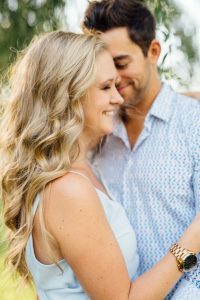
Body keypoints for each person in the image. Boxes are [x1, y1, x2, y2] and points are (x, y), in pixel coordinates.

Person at [1, 30, 200, 300]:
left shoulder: (82, 169)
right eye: (106, 87)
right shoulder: (69, 190)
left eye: (116, 86)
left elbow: (158, 107)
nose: (118, 98)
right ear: (69, 94)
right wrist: (194, 238)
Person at [83, 0, 200, 299]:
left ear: (153, 52)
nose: (114, 79)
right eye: (103, 68)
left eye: (121, 64)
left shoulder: (193, 123)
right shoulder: (93, 136)